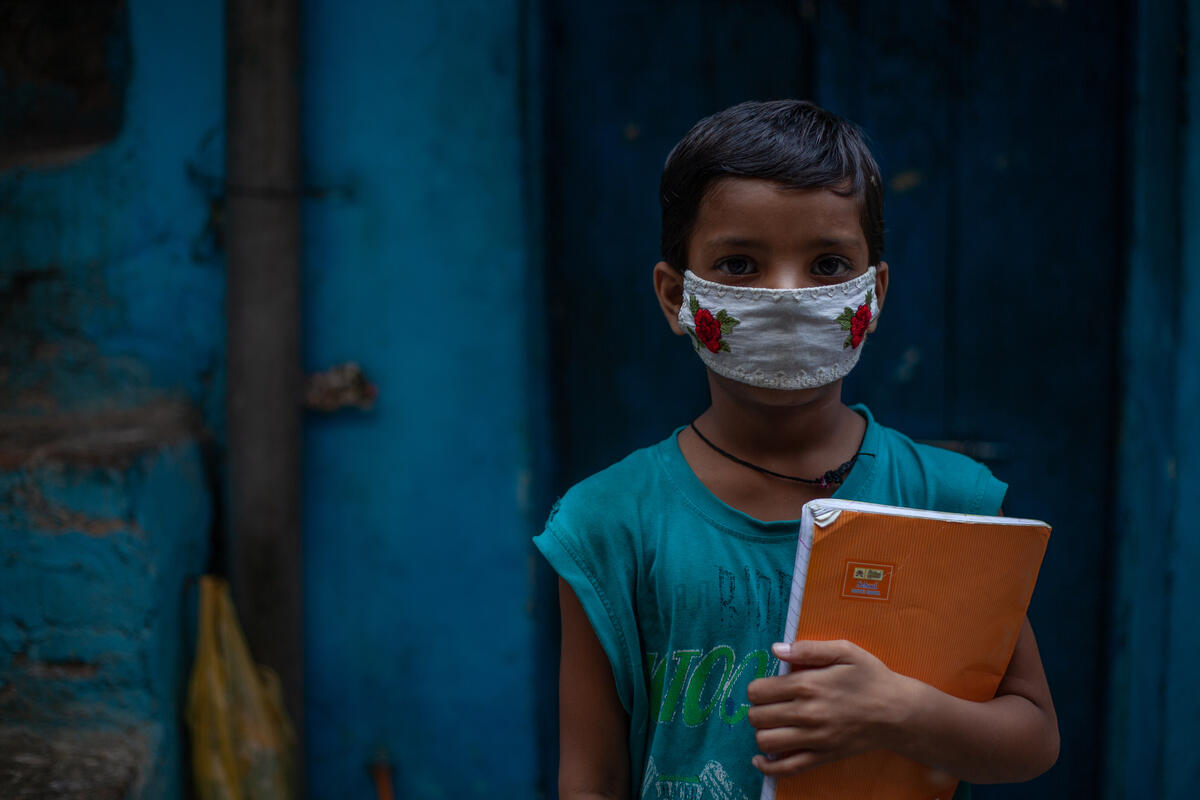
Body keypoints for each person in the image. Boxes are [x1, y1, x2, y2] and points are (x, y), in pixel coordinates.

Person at [534, 100, 1059, 800]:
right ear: (676, 296)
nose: (785, 295)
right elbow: (591, 778)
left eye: (826, 263)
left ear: (873, 295)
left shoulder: (948, 499)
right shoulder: (608, 522)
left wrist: (895, 711)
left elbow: (1031, 738)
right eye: (741, 263)